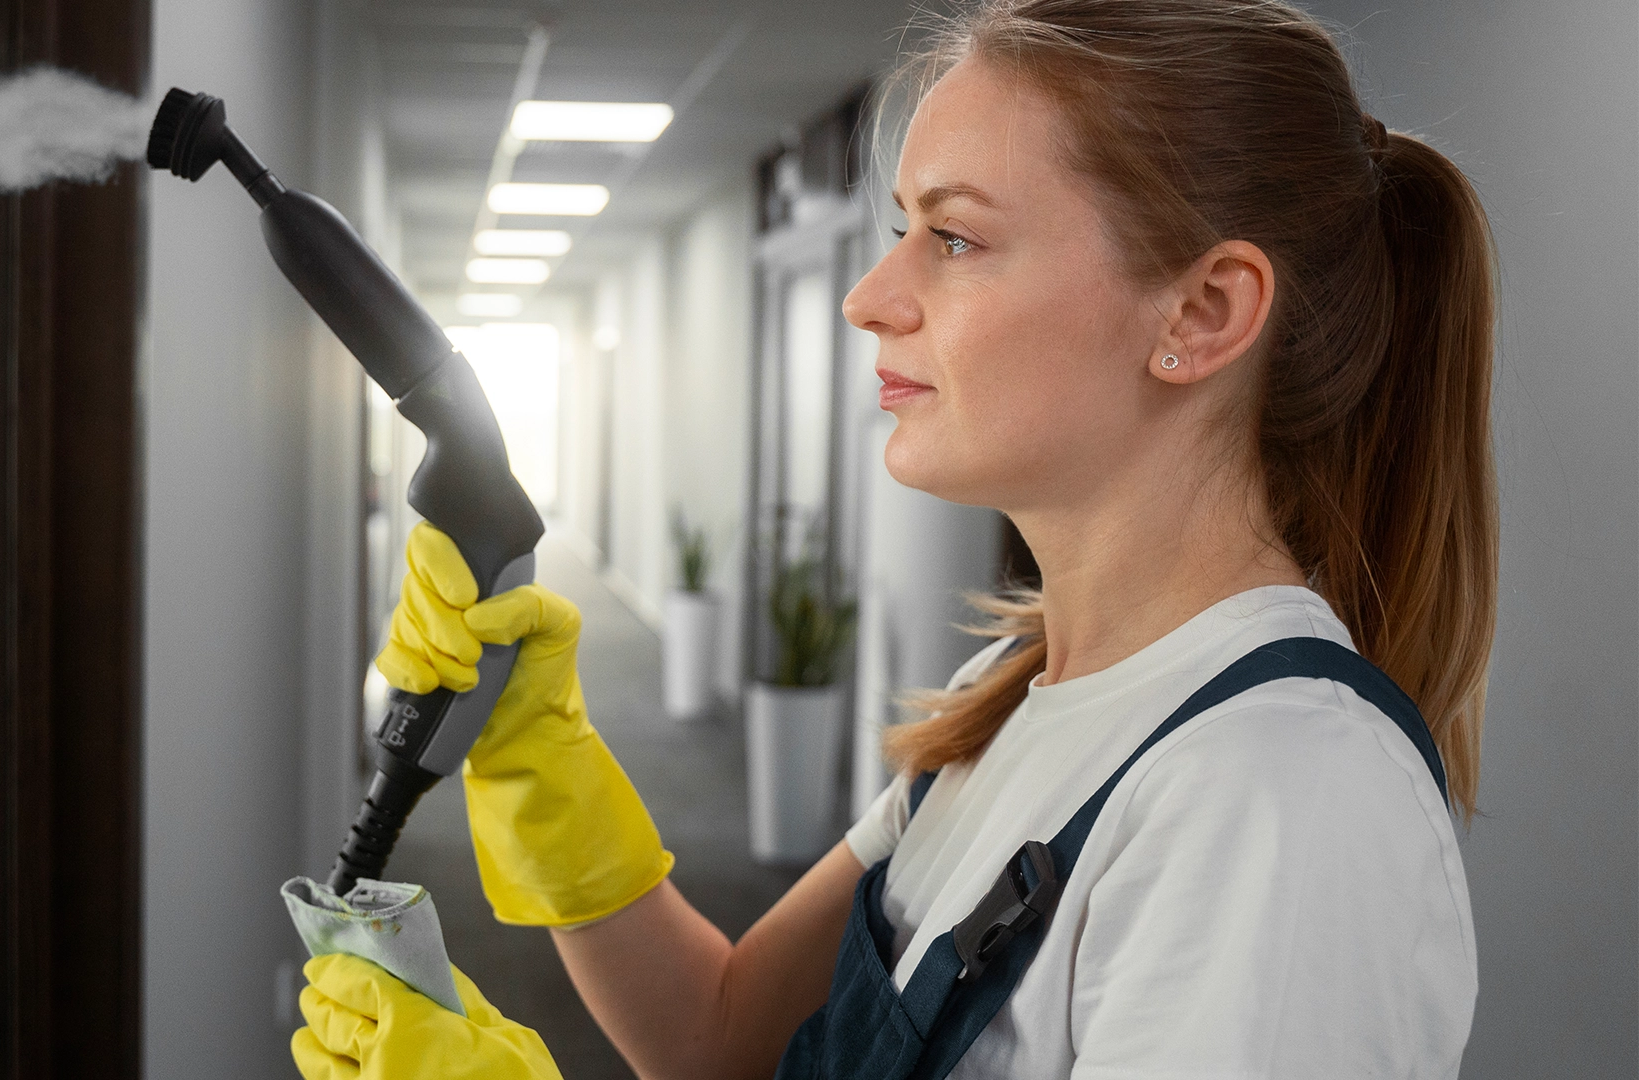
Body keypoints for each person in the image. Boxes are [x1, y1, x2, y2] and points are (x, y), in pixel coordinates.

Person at [289, 0, 1498, 1077]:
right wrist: (534, 758)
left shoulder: (1278, 805)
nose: (871, 295)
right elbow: (719, 1036)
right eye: (902, 226)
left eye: (955, 237)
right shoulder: (1015, 693)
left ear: (1201, 311)